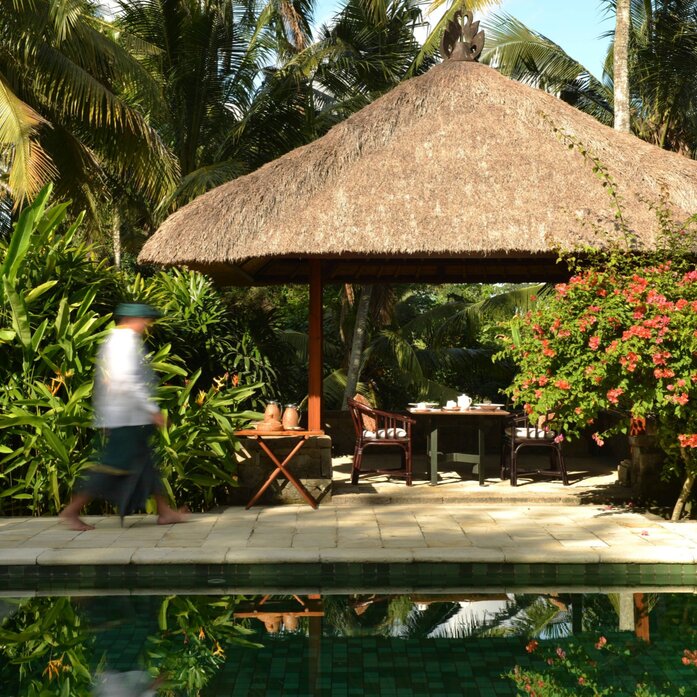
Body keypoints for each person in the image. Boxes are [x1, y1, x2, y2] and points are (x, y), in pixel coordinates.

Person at [60, 303, 187, 530]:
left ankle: (165, 511)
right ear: (131, 320)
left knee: (146, 463)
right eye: (145, 320)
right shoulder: (123, 343)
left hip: (129, 416)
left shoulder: (120, 340)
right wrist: (152, 410)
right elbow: (127, 381)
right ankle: (72, 510)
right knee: (112, 466)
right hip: (125, 417)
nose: (147, 325)